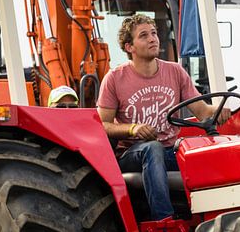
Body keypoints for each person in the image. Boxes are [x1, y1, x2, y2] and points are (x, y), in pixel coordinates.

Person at [97, 14, 230, 220]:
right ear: (129, 47)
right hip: (132, 154)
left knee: (211, 151)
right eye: (144, 35)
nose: (153, 39)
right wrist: (132, 129)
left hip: (170, 150)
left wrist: (220, 109)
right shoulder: (115, 79)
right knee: (152, 148)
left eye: (154, 33)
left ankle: (217, 216)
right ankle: (164, 222)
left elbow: (202, 111)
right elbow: (102, 125)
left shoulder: (175, 71)